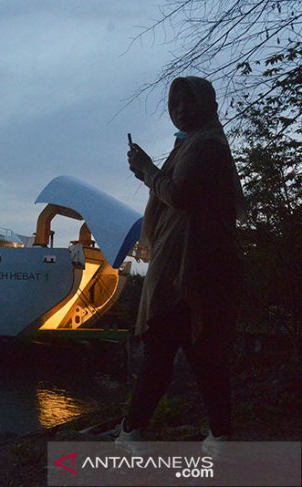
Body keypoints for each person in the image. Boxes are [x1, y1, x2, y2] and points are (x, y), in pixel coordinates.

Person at [116, 76, 245, 454]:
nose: (181, 109)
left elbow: (180, 194)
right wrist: (149, 173)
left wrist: (147, 168)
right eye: (174, 105)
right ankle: (218, 435)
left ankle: (133, 432)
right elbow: (176, 192)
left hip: (188, 268)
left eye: (189, 101)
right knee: (198, 353)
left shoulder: (206, 146)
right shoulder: (193, 144)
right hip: (190, 266)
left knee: (168, 350)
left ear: (209, 104)